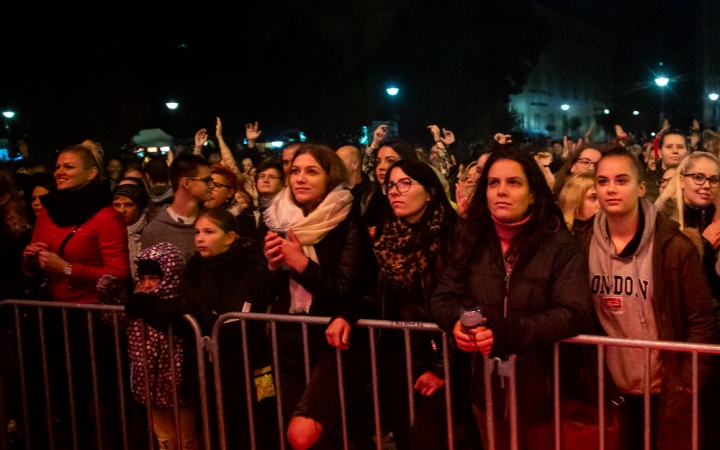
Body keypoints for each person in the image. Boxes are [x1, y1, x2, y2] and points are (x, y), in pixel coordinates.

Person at [431, 147, 592, 450]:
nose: (501, 191)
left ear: (533, 194)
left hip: (542, 392)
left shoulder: (558, 242)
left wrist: (507, 333)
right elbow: (443, 296)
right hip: (486, 391)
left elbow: (572, 311)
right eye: (493, 183)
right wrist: (456, 322)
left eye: (513, 183)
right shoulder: (472, 236)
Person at [574, 146, 717, 449]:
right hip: (609, 394)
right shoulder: (581, 245)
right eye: (602, 181)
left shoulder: (674, 247)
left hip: (666, 394)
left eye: (621, 180)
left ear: (641, 187)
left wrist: (687, 385)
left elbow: (702, 322)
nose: (611, 189)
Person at [263, 144, 374, 449]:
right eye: (295, 171)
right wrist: (273, 269)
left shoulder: (348, 221)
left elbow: (346, 292)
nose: (300, 178)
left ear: (329, 177)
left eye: (311, 171)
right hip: (288, 343)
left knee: (302, 434)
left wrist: (301, 264)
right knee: (319, 441)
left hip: (332, 346)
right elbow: (265, 293)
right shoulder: (278, 219)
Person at [22, 144, 129, 448]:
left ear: (91, 173)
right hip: (57, 316)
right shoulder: (48, 211)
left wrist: (68, 268)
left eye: (69, 166)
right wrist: (31, 261)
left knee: (107, 392)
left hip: (95, 317)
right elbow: (37, 264)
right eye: (58, 166)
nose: (59, 171)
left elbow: (118, 273)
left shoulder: (107, 216)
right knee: (68, 392)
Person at [372, 160, 458, 450]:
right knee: (404, 436)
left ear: (431, 192)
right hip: (398, 354)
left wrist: (442, 367)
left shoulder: (453, 235)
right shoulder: (387, 236)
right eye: (391, 185)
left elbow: (464, 303)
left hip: (441, 352)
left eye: (405, 183)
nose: (395, 192)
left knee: (428, 437)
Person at [655, 152, 720, 300]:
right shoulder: (664, 218)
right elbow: (666, 275)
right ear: (682, 181)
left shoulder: (713, 216)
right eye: (698, 177)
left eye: (714, 179)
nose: (707, 185)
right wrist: (705, 245)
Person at [141, 154, 212, 262]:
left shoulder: (214, 222)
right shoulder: (154, 231)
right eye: (206, 180)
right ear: (186, 183)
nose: (211, 186)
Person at [363, 140, 420, 239]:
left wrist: (385, 234)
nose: (381, 167)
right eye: (378, 162)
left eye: (390, 161)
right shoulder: (374, 193)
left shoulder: (411, 195)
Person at [112, 181, 150, 282]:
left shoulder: (151, 231)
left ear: (139, 207)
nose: (121, 210)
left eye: (128, 205)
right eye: (117, 205)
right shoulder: (107, 234)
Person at [644, 131, 688, 202]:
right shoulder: (646, 181)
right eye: (669, 147)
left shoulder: (693, 180)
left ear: (687, 151)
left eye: (680, 147)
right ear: (660, 153)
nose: (675, 151)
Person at [336, 145, 373, 213]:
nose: (336, 165)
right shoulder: (334, 189)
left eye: (340, 161)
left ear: (355, 164)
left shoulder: (371, 191)